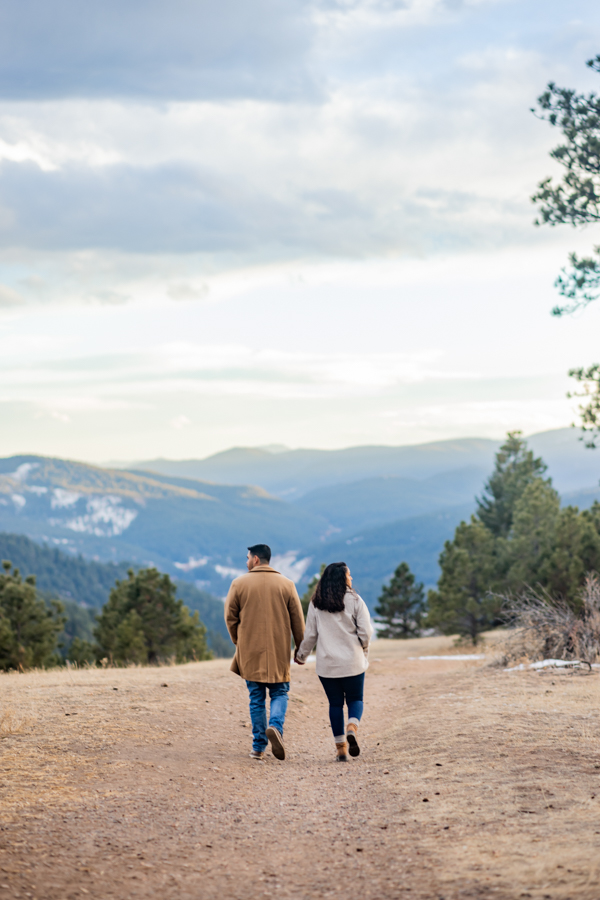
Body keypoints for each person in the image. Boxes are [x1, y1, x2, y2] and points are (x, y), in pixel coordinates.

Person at [225, 543, 305, 762]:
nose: (247, 561)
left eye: (248, 558)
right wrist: (300, 649)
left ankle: (258, 747)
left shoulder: (239, 583)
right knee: (280, 692)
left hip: (249, 651)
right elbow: (298, 620)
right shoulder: (287, 584)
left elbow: (230, 617)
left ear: (256, 560)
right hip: (278, 650)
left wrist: (239, 641)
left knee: (256, 697)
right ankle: (275, 727)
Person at [295, 562, 373, 762]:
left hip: (328, 666)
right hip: (352, 662)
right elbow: (366, 632)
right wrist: (363, 649)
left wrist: (301, 656)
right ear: (342, 578)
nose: (351, 578)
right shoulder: (355, 600)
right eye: (349, 575)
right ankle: (352, 727)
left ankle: (340, 750)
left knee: (335, 704)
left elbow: (310, 635)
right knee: (355, 699)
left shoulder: (316, 603)